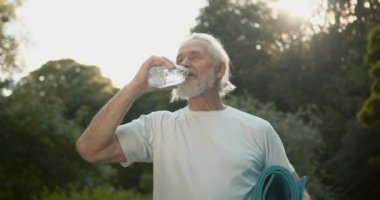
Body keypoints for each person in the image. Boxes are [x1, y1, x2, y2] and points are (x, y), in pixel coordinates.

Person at [76, 33, 311, 200]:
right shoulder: (158, 126)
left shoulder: (258, 129)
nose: (184, 63)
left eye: (195, 56)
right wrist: (134, 87)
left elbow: (297, 193)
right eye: (180, 59)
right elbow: (90, 149)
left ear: (219, 69)